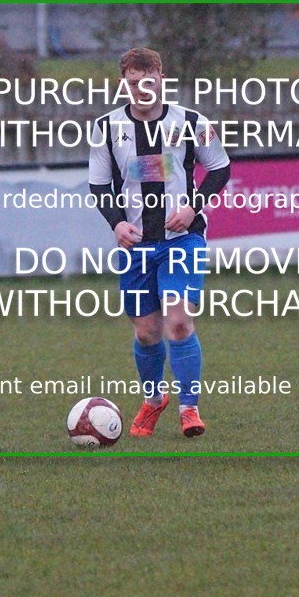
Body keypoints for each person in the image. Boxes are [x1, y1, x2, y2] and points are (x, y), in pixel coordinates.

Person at [88, 47, 230, 438]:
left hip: (182, 239)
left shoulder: (191, 121)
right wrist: (116, 224)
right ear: (124, 84)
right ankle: (154, 400)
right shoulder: (106, 127)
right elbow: (99, 184)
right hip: (136, 247)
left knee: (179, 322)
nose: (141, 90)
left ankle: (189, 408)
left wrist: (193, 206)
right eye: (133, 84)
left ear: (161, 79)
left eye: (147, 82)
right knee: (147, 332)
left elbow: (220, 168)